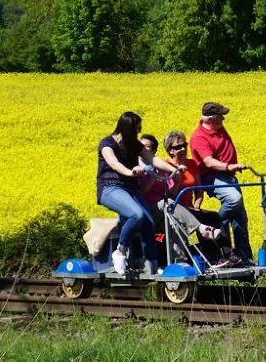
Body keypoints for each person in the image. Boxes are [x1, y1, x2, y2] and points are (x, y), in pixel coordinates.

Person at [96, 111, 181, 275]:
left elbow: (153, 159)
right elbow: (114, 164)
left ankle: (152, 265)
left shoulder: (133, 144)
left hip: (131, 189)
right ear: (127, 128)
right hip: (110, 188)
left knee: (148, 222)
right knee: (136, 214)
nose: (139, 133)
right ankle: (120, 251)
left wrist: (174, 170)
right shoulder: (107, 144)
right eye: (137, 129)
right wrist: (131, 172)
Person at [189, 102, 253, 264]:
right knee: (234, 199)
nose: (223, 119)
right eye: (220, 116)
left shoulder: (217, 128)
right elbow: (208, 162)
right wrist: (229, 166)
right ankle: (215, 223)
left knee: (240, 218)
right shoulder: (199, 137)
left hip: (229, 177)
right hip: (213, 176)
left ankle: (244, 258)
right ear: (210, 119)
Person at [137, 133, 220, 252]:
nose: (183, 149)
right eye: (140, 146)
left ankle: (185, 259)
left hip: (170, 208)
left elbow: (170, 194)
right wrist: (154, 177)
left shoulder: (161, 167)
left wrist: (177, 181)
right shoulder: (137, 168)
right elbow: (141, 193)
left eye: (146, 147)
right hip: (150, 208)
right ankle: (202, 229)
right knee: (168, 204)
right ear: (170, 150)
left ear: (154, 151)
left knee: (209, 217)